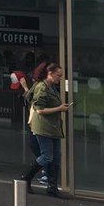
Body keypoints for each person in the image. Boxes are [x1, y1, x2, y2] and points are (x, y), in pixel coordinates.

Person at [24, 62, 71, 198]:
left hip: (53, 127)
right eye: (58, 75)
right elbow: (40, 110)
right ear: (50, 74)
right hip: (43, 127)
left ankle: (52, 187)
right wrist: (59, 109)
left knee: (56, 157)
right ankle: (26, 177)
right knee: (47, 156)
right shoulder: (42, 87)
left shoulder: (52, 88)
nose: (60, 78)